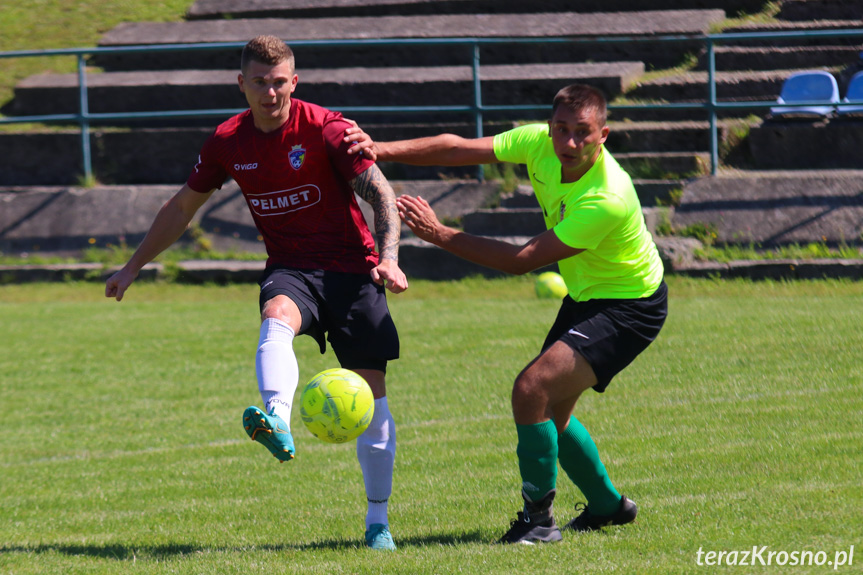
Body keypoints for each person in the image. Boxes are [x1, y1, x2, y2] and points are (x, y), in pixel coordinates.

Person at [105, 35, 408, 551]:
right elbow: (182, 208)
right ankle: (277, 421)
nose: (271, 92)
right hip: (291, 267)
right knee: (276, 317)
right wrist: (134, 265)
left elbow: (381, 192)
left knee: (373, 400)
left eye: (280, 82)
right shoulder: (227, 141)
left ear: (295, 81)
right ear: (241, 84)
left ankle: (377, 522)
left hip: (354, 272)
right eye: (260, 82)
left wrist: (389, 257)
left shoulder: (326, 128)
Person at [347, 83, 667, 544]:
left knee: (530, 389)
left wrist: (438, 234)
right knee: (550, 414)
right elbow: (458, 149)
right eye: (562, 130)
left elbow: (523, 260)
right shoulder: (539, 141)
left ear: (604, 135)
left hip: (630, 304)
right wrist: (380, 148)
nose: (569, 142)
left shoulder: (608, 196)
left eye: (583, 133)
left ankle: (538, 520)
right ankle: (608, 507)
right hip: (586, 294)